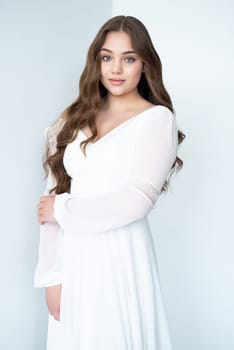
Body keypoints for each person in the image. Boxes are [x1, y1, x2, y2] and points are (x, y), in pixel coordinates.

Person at [34, 15, 185, 350]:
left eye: (128, 58)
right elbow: (51, 199)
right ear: (97, 61)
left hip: (121, 256)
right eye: (107, 57)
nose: (116, 69)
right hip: (73, 260)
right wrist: (51, 278)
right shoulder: (73, 120)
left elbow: (137, 201)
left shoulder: (156, 120)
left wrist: (63, 209)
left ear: (144, 64)